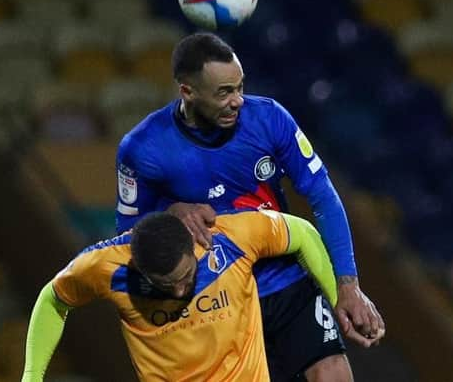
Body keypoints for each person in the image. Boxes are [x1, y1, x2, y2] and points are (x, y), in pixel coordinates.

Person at [115, 32, 385, 381]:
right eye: (224, 92)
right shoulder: (143, 148)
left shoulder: (270, 119)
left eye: (240, 87)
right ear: (187, 92)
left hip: (286, 281)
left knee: (332, 373)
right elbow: (126, 236)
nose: (237, 101)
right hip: (216, 302)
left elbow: (323, 196)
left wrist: (348, 285)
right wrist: (170, 216)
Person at [22, 210, 338, 381]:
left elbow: (302, 233)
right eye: (164, 284)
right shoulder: (104, 266)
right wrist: (32, 375)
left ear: (192, 244)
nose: (178, 291)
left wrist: (339, 300)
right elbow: (53, 298)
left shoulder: (228, 238)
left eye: (186, 277)